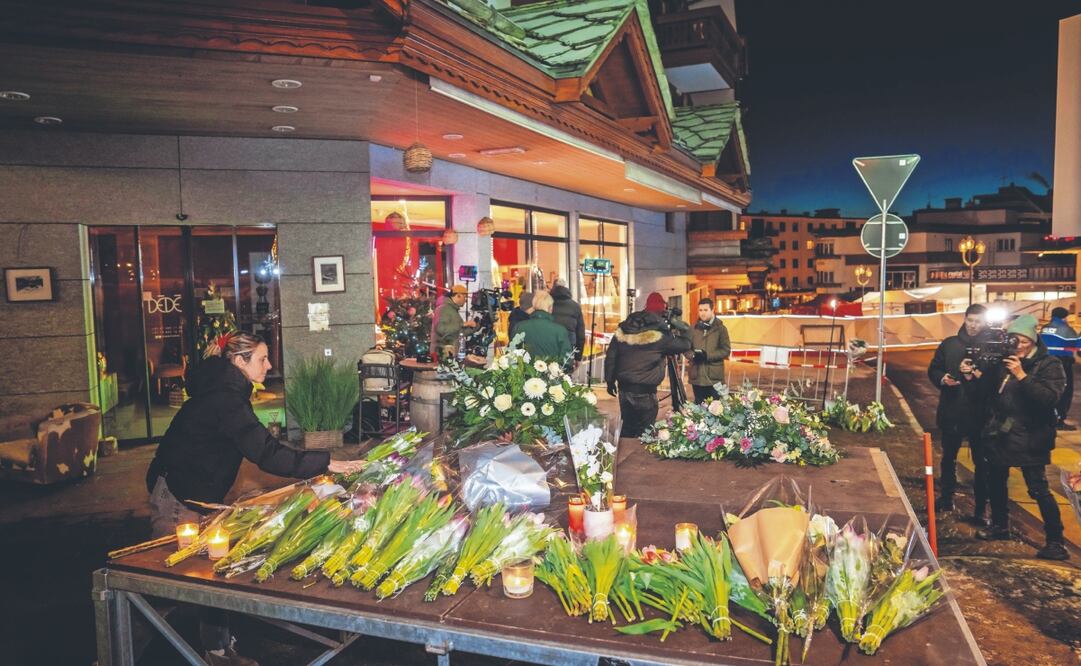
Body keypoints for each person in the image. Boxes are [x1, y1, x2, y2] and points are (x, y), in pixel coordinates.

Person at [146, 332, 358, 665]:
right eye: (262, 358)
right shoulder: (225, 399)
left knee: (205, 577)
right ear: (239, 361)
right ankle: (122, 649)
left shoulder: (225, 390)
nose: (270, 364)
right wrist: (327, 460)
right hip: (179, 498)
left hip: (191, 492)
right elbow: (267, 454)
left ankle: (218, 652)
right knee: (164, 587)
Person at [970, 314, 1069, 561]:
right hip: (1000, 434)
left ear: (1033, 341)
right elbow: (986, 394)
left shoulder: (1049, 364)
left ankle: (1056, 541)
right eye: (1012, 339)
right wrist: (976, 372)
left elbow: (1048, 399)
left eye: (1022, 340)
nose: (1017, 345)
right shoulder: (1004, 362)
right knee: (996, 481)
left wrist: (1022, 375)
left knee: (1038, 489)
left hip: (1031, 436)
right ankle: (1000, 525)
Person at [926, 304, 990, 521]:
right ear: (964, 319)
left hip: (981, 415)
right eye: (970, 320)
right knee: (948, 459)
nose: (973, 325)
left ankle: (981, 509)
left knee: (982, 464)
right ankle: (946, 499)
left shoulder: (991, 348)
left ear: (984, 322)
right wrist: (942, 378)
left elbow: (996, 380)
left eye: (978, 321)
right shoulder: (949, 344)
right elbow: (933, 368)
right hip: (952, 411)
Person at [604, 291, 691, 438]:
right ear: (661, 311)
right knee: (645, 433)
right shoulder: (660, 335)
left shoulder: (625, 328)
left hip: (624, 389)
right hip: (645, 391)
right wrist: (682, 327)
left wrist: (609, 381)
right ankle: (639, 457)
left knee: (627, 429)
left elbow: (611, 356)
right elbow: (685, 345)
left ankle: (625, 454)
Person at [686, 298, 731, 404]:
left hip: (714, 378)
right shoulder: (693, 329)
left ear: (712, 310)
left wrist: (707, 356)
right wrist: (693, 356)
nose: (702, 313)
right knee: (698, 410)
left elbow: (726, 350)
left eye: (705, 310)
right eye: (700, 310)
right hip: (697, 377)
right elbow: (686, 348)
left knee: (715, 409)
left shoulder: (721, 329)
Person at [1040, 306, 1077, 428]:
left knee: (1047, 390)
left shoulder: (1045, 328)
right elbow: (1077, 347)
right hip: (1063, 364)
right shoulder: (1067, 330)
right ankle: (1060, 420)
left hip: (1044, 362)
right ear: (1065, 317)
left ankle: (1047, 418)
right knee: (1064, 392)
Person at [514, 290, 573, 363]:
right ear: (550, 308)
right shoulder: (560, 330)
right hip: (552, 373)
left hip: (526, 373)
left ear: (534, 306)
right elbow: (567, 360)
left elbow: (511, 355)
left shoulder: (519, 327)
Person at [431, 284, 476, 361]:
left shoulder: (452, 310)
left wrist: (476, 327)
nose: (465, 300)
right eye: (464, 297)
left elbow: (457, 332)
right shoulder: (444, 308)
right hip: (442, 356)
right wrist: (463, 324)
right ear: (458, 295)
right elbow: (441, 329)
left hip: (451, 355)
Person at [551, 278, 586, 365]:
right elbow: (580, 334)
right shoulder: (575, 306)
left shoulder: (548, 304)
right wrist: (578, 357)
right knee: (566, 374)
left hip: (551, 346)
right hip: (569, 346)